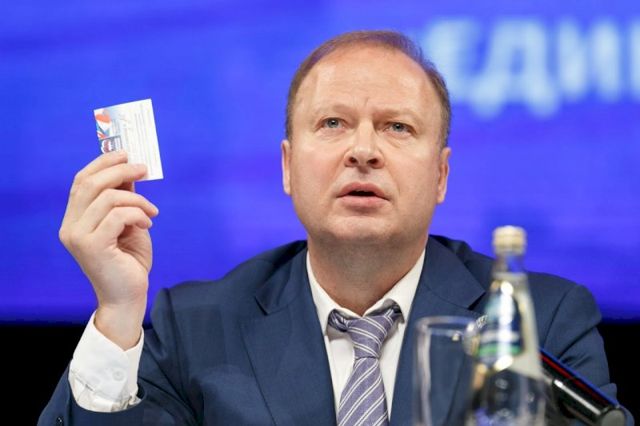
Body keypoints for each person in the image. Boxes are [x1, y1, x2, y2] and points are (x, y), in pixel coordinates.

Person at [39, 30, 630, 425]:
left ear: (441, 174)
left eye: (397, 127)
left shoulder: (539, 320)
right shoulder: (195, 327)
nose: (363, 151)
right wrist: (118, 312)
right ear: (288, 167)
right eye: (332, 124)